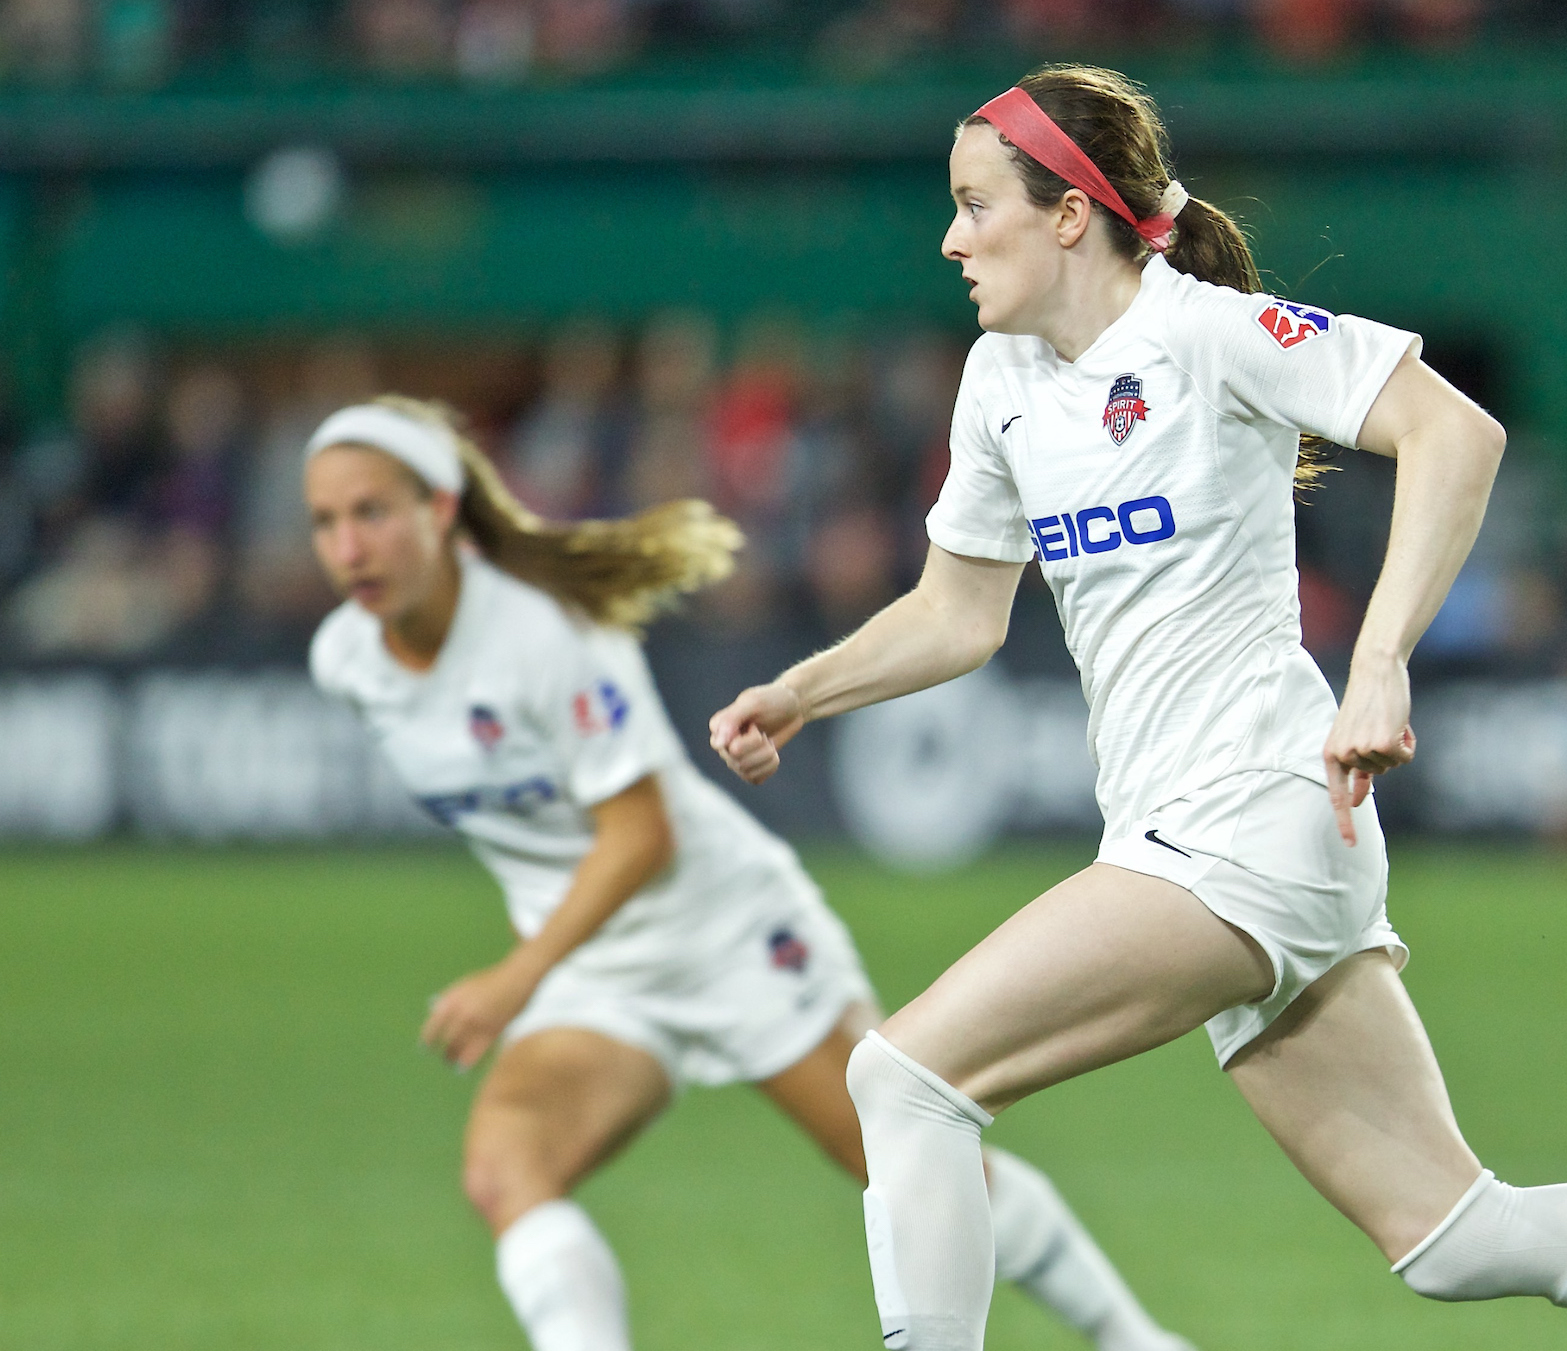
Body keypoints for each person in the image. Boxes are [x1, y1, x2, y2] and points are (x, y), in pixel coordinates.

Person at [706, 64, 1567, 1351]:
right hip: (1196, 837)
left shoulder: (1205, 333)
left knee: (905, 1078)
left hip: (1249, 814)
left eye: (978, 205)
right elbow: (958, 613)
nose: (952, 237)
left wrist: (1379, 661)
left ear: (1071, 216)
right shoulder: (1004, 382)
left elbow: (1456, 435)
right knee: (1457, 1233)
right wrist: (801, 691)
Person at [299, 396, 1197, 1351]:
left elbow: (642, 835)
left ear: (439, 510)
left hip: (723, 927)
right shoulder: (348, 661)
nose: (348, 544)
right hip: (596, 964)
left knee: (892, 1157)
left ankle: (1133, 1339)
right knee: (506, 1171)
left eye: (372, 512)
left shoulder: (539, 633)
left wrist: (514, 979)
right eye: (324, 521)